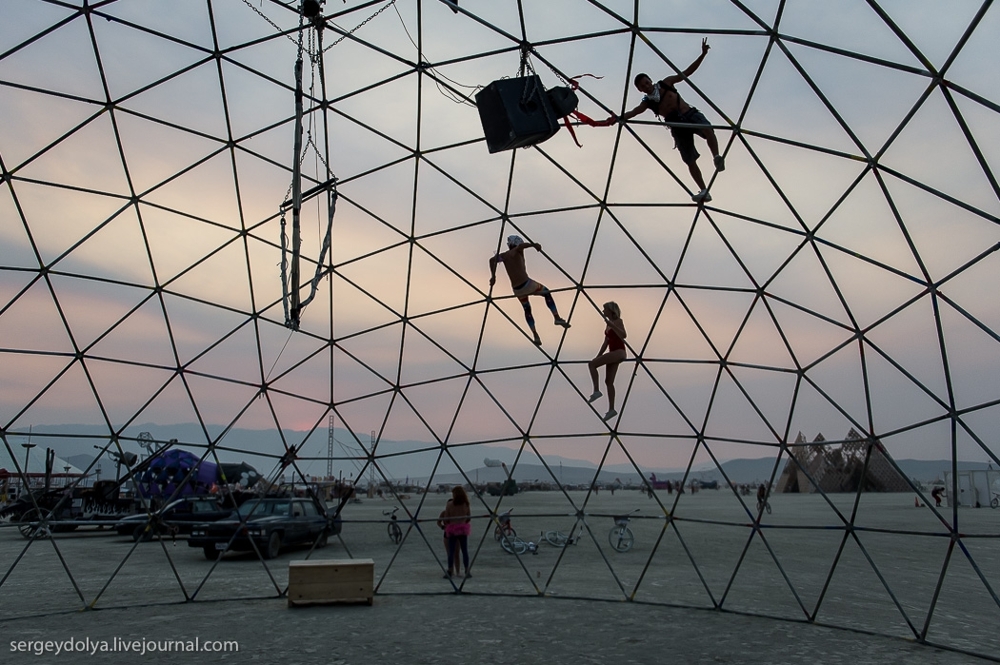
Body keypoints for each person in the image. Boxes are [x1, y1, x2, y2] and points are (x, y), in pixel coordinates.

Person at [613, 38, 724, 203]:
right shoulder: (648, 102)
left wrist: (703, 54)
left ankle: (716, 157)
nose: (646, 86)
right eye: (643, 86)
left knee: (708, 130)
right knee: (689, 160)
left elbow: (686, 73)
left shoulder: (666, 83)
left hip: (688, 114)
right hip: (677, 127)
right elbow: (635, 112)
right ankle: (704, 190)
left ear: (650, 80)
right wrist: (618, 118)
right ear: (640, 89)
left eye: (646, 82)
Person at [489, 235, 571, 346]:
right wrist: (534, 245)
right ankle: (557, 317)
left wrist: (493, 276)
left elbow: (491, 260)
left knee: (527, 309)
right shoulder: (517, 251)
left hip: (517, 290)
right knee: (546, 292)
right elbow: (522, 246)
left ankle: (535, 335)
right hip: (527, 284)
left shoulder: (504, 256)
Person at [587, 301, 627, 420]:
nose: (603, 311)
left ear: (611, 310)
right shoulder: (608, 325)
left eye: (605, 309)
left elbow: (624, 335)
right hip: (613, 352)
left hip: (619, 352)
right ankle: (611, 409)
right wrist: (598, 355)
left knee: (591, 365)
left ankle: (596, 390)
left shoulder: (618, 321)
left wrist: (613, 325)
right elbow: (606, 342)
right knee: (608, 381)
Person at [437, 485, 472, 578]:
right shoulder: (466, 504)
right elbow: (469, 517)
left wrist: (449, 524)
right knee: (464, 550)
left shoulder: (450, 504)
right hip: (463, 528)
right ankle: (467, 570)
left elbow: (447, 517)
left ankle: (450, 570)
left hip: (452, 528)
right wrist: (462, 522)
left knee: (451, 551)